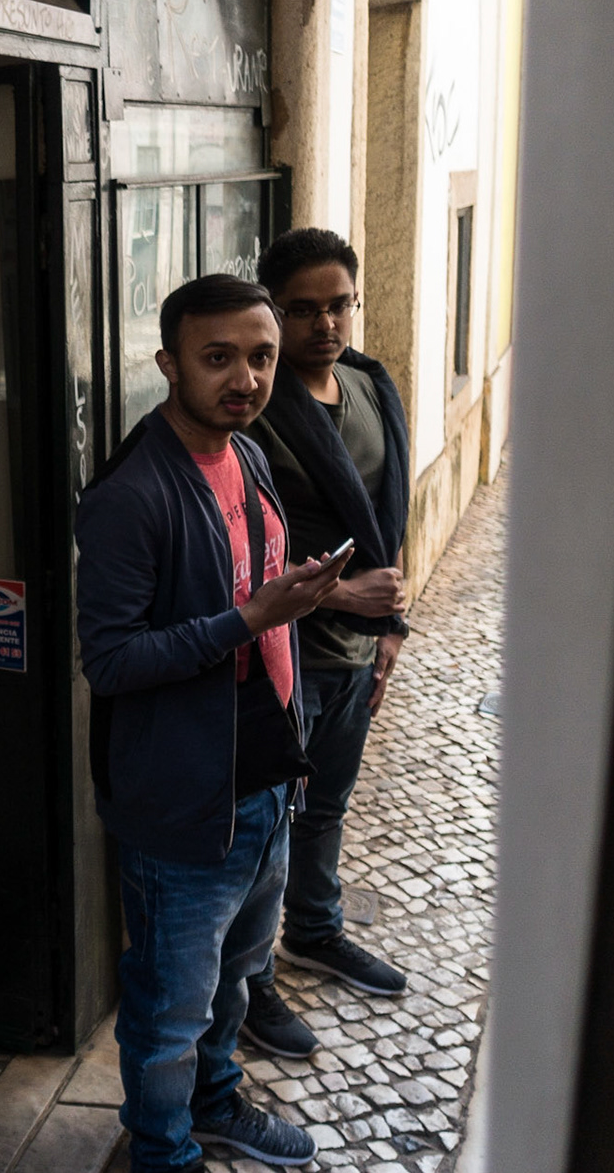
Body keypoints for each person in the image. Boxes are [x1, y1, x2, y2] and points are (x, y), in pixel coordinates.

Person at [78, 274, 347, 1171]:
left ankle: (219, 1102)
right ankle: (162, 1152)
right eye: (219, 357)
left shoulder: (249, 453)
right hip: (184, 804)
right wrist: (250, 620)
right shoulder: (131, 494)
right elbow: (110, 661)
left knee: (234, 978)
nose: (246, 377)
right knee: (170, 1010)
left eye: (260, 357)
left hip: (263, 781)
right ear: (168, 364)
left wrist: (319, 593)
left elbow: (251, 593)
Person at [238, 228, 412, 1060]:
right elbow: (246, 549)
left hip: (356, 649)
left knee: (330, 805)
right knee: (273, 818)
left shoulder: (371, 386)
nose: (324, 324)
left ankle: (314, 928)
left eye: (338, 304)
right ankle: (253, 982)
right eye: (302, 309)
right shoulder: (258, 413)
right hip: (285, 647)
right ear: (274, 309)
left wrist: (387, 626)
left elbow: (386, 516)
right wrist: (342, 593)